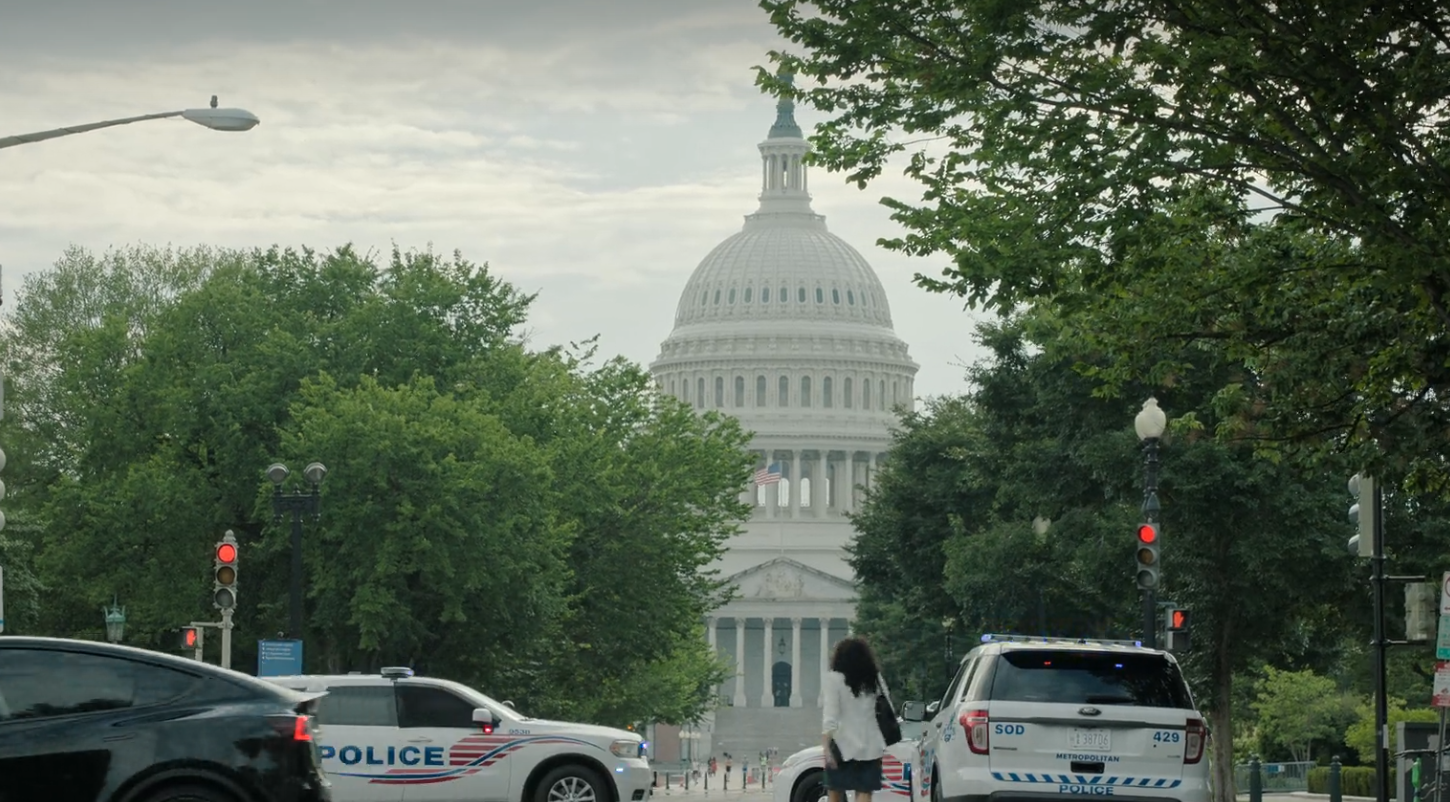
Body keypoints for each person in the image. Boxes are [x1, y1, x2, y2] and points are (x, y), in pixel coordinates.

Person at [821, 636, 889, 802]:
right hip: (871, 745)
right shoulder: (874, 679)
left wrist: (826, 747)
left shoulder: (834, 679)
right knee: (865, 792)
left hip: (842, 744)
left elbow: (830, 716)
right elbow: (886, 705)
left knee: (835, 793)